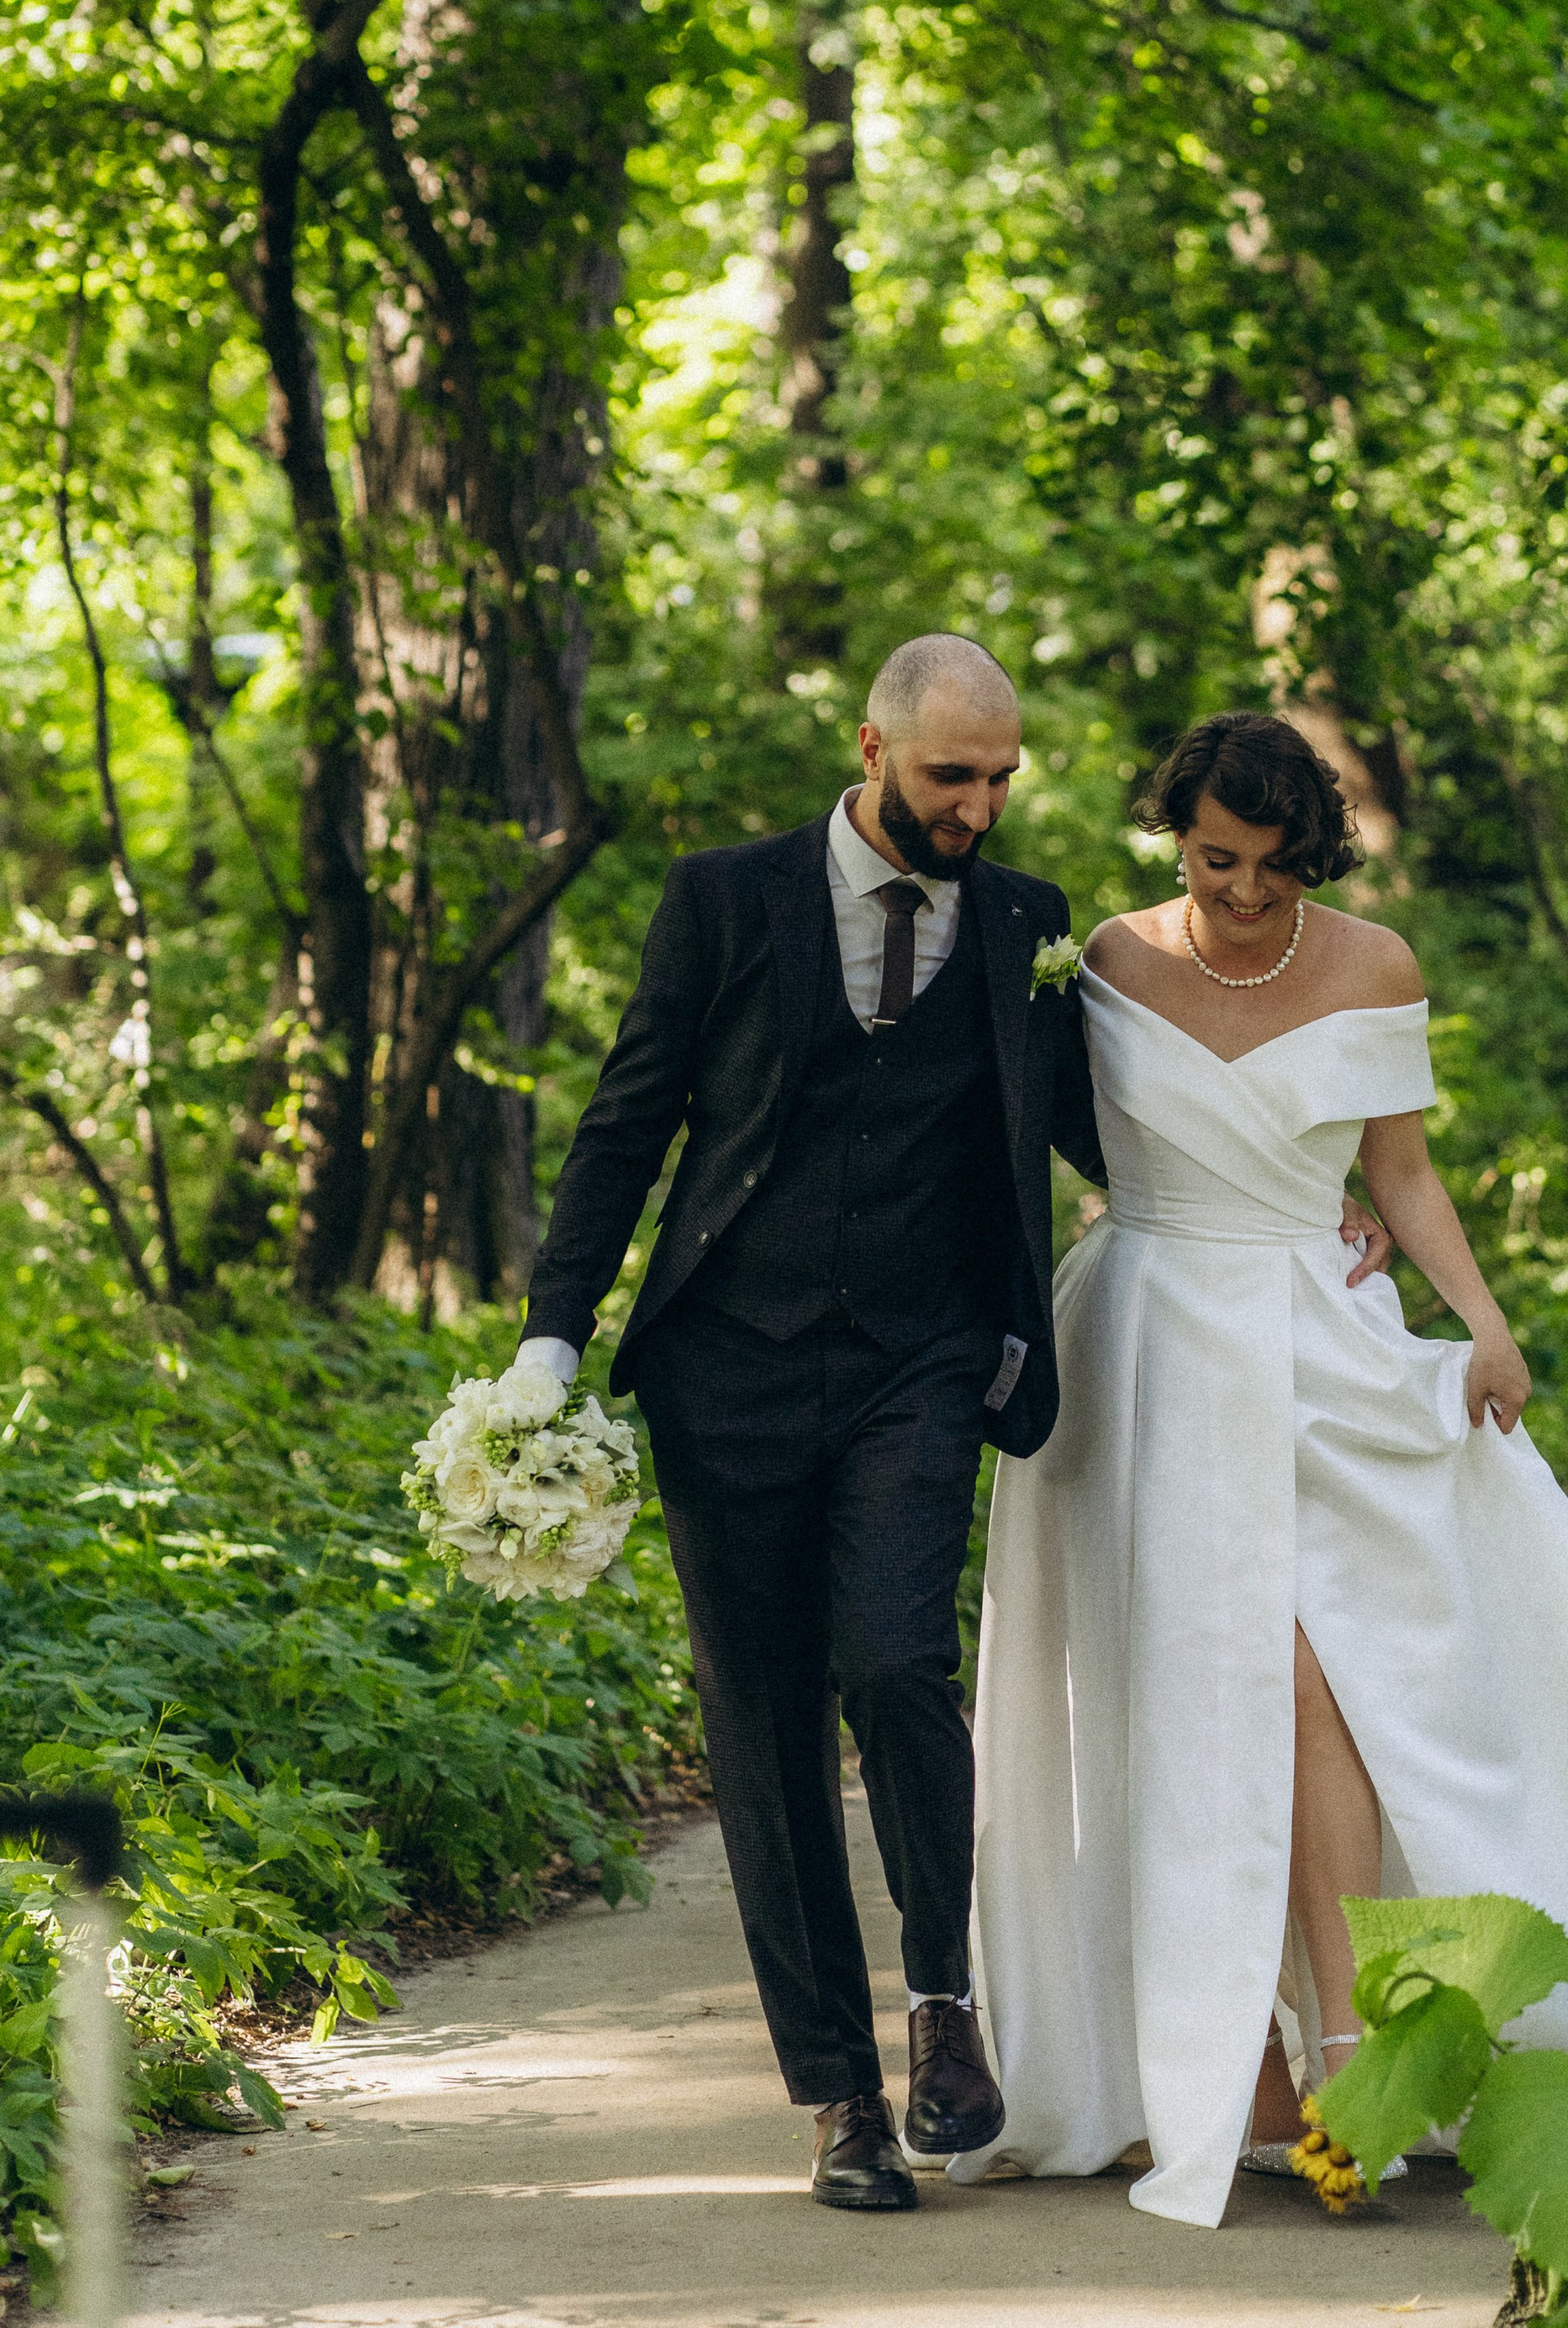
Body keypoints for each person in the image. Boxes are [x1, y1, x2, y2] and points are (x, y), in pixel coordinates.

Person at [508, 640, 1385, 2214]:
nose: (978, 807)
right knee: (763, 1731)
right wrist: (550, 1340)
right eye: (948, 779)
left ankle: (944, 2007)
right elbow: (628, 1119)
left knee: (901, 1658)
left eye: (1000, 779)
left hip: (922, 1363)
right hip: (729, 1370)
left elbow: (1100, 1113)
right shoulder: (725, 899)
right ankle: (839, 2096)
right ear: (873, 753)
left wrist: (1311, 1198)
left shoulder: (1031, 926)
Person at [956, 710, 1568, 2231]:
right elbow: (1048, 1136)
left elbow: (1398, 1167)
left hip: (1310, 1345)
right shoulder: (1104, 959)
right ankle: (1217, 2072)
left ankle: (1351, 2040)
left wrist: (1482, 1322)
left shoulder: (1377, 963)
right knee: (1164, 1695)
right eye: (1216, 862)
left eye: (1274, 870)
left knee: (1307, 1672)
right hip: (1143, 1350)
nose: (1243, 897)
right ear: (1176, 837)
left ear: (1315, 854)